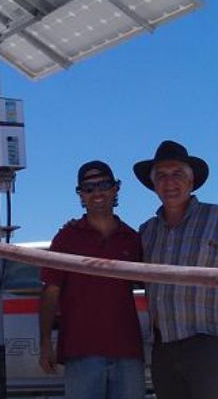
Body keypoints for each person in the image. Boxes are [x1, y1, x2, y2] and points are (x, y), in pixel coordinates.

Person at [133, 140, 218, 399]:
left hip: (211, 347)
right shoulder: (147, 232)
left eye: (177, 174)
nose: (170, 182)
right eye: (162, 176)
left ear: (191, 182)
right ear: (154, 185)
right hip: (165, 349)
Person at [38, 160, 145, 399]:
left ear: (116, 189)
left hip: (128, 350)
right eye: (88, 188)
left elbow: (155, 290)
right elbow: (51, 291)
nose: (97, 192)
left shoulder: (132, 239)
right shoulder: (66, 238)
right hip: (81, 351)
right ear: (81, 195)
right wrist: (44, 342)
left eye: (104, 185)